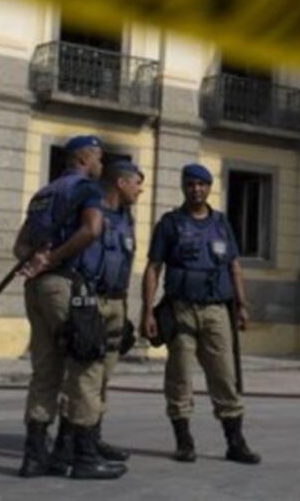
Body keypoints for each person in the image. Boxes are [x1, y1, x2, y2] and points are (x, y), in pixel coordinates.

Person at [16, 135, 126, 480]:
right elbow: (92, 230)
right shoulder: (87, 189)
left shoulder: (42, 195)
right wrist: (54, 259)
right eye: (99, 158)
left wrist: (36, 263)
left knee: (45, 369)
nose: (102, 165)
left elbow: (20, 246)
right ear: (85, 158)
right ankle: (84, 456)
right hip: (68, 284)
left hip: (36, 288)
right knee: (86, 364)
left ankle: (35, 457)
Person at [141, 163, 261, 465]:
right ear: (184, 187)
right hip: (181, 310)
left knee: (225, 376)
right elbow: (154, 268)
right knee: (179, 376)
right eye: (190, 184)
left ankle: (235, 443)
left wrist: (242, 305)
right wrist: (147, 313)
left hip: (217, 311)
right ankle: (184, 442)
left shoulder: (221, 223)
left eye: (201, 184)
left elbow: (234, 266)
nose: (196, 189)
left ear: (209, 188)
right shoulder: (170, 223)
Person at [50, 160, 144, 466]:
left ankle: (90, 437)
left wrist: (126, 313)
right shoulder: (92, 212)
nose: (140, 190)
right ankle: (71, 448)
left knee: (101, 379)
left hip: (116, 303)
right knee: (82, 377)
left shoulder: (126, 218)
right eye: (137, 183)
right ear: (121, 183)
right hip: (90, 301)